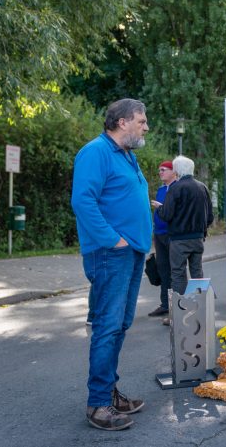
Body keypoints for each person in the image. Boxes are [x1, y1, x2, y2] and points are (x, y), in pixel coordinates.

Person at [71, 98, 151, 431]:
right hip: (111, 253)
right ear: (121, 122)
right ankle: (99, 405)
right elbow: (82, 201)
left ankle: (109, 393)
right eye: (141, 120)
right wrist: (113, 239)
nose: (146, 126)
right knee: (107, 326)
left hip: (130, 252)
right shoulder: (96, 152)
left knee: (119, 325)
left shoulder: (127, 155)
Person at [157, 155, 214, 326]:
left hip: (179, 240)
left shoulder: (176, 188)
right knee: (197, 273)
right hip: (198, 238)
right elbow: (210, 216)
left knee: (178, 275)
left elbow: (167, 215)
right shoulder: (202, 187)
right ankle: (199, 310)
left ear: (177, 171)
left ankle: (180, 314)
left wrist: (160, 208)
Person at [146, 161, 177, 318]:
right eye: (159, 170)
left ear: (173, 171)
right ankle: (165, 304)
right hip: (159, 234)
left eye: (163, 170)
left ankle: (178, 306)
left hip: (173, 235)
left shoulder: (178, 188)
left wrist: (161, 207)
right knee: (163, 269)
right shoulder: (160, 190)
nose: (160, 172)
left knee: (176, 271)